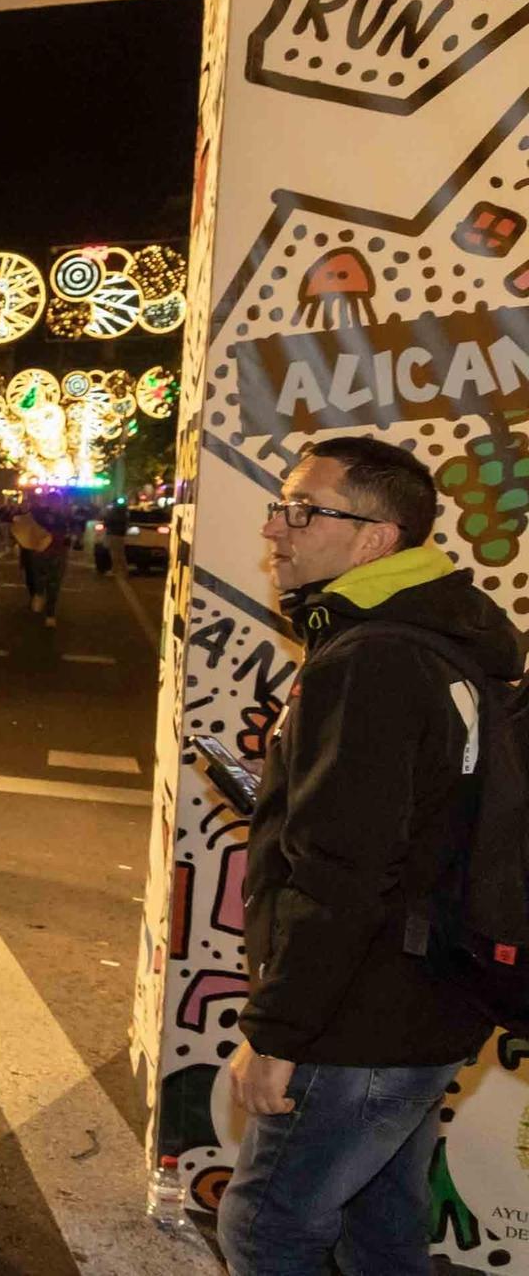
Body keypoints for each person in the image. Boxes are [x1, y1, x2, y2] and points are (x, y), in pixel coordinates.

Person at [220, 436, 515, 1275]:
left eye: (303, 510)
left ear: (376, 539)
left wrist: (278, 1031)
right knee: (380, 1227)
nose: (277, 528)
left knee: (267, 1229)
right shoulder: (435, 637)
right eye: (280, 505)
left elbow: (343, 872)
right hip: (422, 1002)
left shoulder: (375, 657)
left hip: (359, 1018)